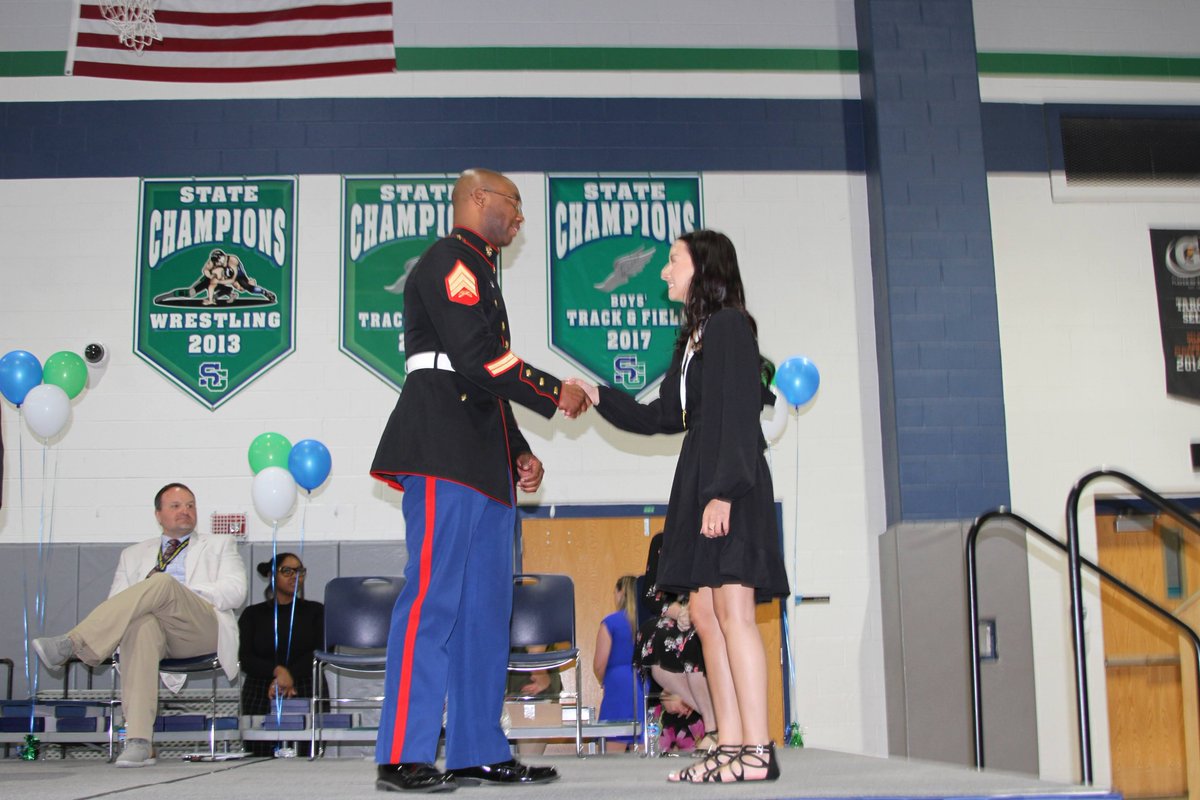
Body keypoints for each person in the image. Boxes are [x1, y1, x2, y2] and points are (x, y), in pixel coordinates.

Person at [369, 168, 590, 793]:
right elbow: (476, 359)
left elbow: (484, 383)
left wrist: (518, 447)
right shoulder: (451, 259)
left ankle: (475, 749)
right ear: (479, 199)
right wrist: (555, 392)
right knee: (433, 601)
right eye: (515, 203)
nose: (521, 217)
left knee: (486, 612)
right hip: (441, 450)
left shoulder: (482, 271)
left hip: (483, 460)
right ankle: (403, 754)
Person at [571, 229, 789, 783]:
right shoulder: (692, 340)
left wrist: (724, 491)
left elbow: (739, 414)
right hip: (700, 478)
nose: (664, 272)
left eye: (673, 261)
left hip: (728, 482)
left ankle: (756, 748)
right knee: (705, 615)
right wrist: (601, 397)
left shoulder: (730, 327)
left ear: (704, 269)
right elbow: (664, 418)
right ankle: (729, 742)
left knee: (734, 613)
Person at [31, 483, 246, 767]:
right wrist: (159, 595)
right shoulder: (132, 554)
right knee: (140, 626)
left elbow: (236, 591)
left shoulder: (220, 544)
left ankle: (74, 643)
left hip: (201, 627)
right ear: (158, 514)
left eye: (191, 505)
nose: (186, 511)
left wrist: (181, 593)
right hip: (158, 635)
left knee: (161, 583)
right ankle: (139, 740)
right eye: (176, 506)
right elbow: (116, 603)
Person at [238, 552, 326, 757]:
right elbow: (245, 658)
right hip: (260, 688)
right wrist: (277, 672)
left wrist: (289, 676)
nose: (295, 576)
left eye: (300, 571)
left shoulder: (316, 611)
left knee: (306, 755)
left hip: (304, 684)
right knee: (258, 756)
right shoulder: (252, 614)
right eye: (287, 571)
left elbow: (323, 651)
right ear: (271, 575)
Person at [636, 532, 717, 754]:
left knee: (691, 640)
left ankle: (713, 727)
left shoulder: (714, 540)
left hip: (709, 615)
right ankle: (720, 722)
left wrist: (695, 613)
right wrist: (680, 612)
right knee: (652, 634)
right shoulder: (662, 541)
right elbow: (651, 596)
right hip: (675, 616)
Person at [593, 575, 644, 752]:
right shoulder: (646, 621)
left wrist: (603, 680)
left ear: (621, 592)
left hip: (617, 685)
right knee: (643, 749)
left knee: (612, 752)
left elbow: (600, 664)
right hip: (642, 683)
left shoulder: (610, 622)